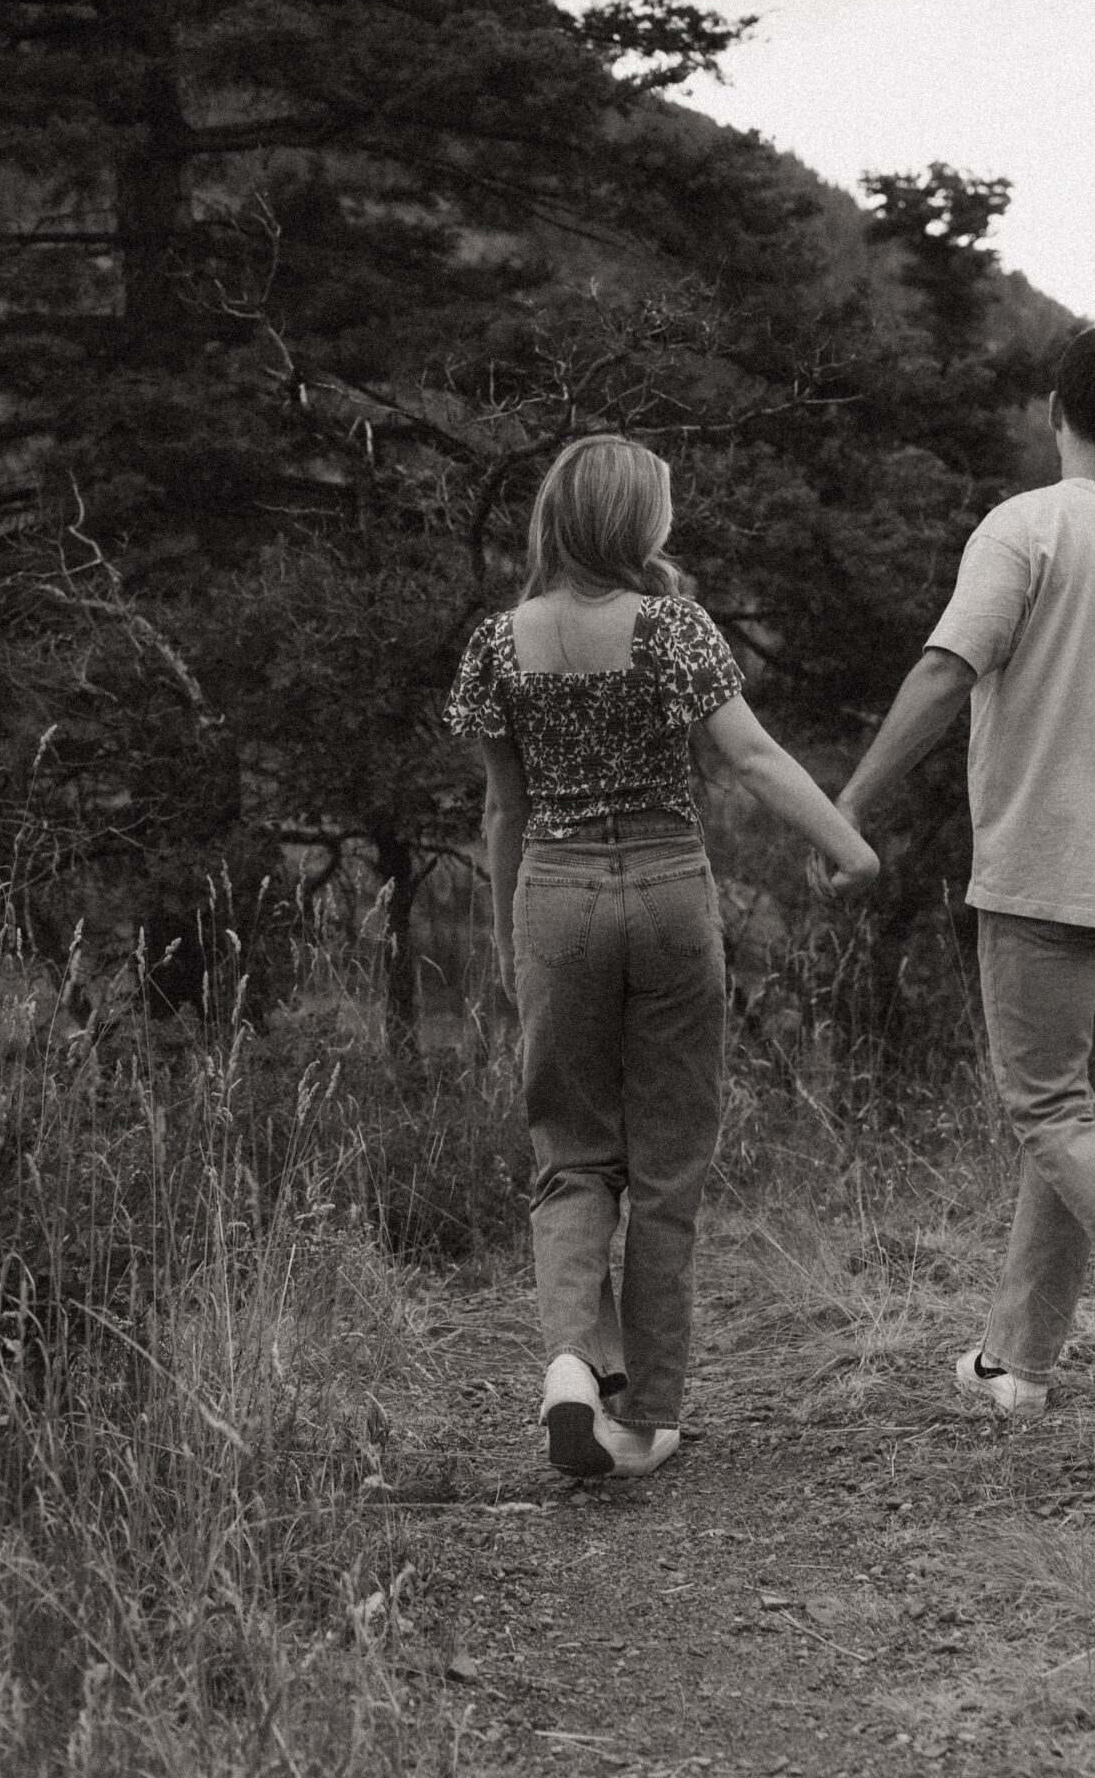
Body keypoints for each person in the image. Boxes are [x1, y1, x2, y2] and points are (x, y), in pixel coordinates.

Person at [824, 327, 1095, 1433]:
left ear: (1055, 408)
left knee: (1052, 1111)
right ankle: (1013, 1365)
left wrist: (849, 801)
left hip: (1036, 867)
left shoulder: (1024, 529)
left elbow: (943, 673)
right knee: (1078, 1116)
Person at [447, 433, 879, 1481]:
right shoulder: (674, 629)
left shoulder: (498, 643)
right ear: (634, 523)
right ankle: (647, 1418)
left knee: (571, 1152)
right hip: (668, 890)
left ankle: (567, 1366)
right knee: (668, 1164)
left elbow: (504, 807)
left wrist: (518, 926)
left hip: (554, 892)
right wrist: (848, 845)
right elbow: (752, 755)